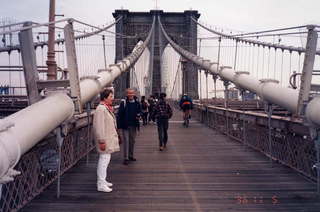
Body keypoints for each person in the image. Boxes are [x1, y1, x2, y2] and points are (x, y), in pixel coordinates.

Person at [93, 89, 120, 193]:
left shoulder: (106, 108)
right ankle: (100, 184)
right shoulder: (101, 109)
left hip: (108, 139)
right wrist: (101, 141)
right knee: (103, 161)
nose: (112, 98)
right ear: (105, 98)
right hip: (104, 140)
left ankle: (103, 181)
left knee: (106, 160)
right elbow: (98, 126)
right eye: (110, 96)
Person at [117, 88, 141, 165]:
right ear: (127, 94)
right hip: (125, 125)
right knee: (126, 141)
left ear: (134, 94)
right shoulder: (123, 102)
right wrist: (118, 126)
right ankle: (126, 158)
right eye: (129, 93)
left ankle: (131, 156)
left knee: (132, 141)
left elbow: (139, 111)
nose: (130, 95)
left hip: (134, 125)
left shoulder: (137, 103)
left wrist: (139, 115)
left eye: (132, 93)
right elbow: (119, 114)